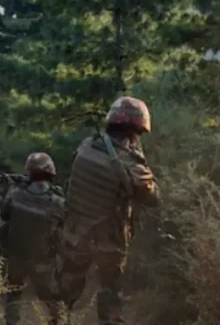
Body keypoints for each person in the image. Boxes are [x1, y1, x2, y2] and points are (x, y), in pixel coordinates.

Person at [56, 96, 160, 325]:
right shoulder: (131, 164)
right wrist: (141, 159)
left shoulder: (86, 146)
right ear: (135, 130)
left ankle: (58, 320)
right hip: (109, 241)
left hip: (75, 233)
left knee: (68, 288)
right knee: (110, 290)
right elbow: (152, 197)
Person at [0, 152, 66, 325]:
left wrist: (14, 187)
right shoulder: (57, 202)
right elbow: (65, 224)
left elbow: (4, 214)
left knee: (13, 294)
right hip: (43, 259)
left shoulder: (15, 195)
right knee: (50, 298)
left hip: (16, 257)